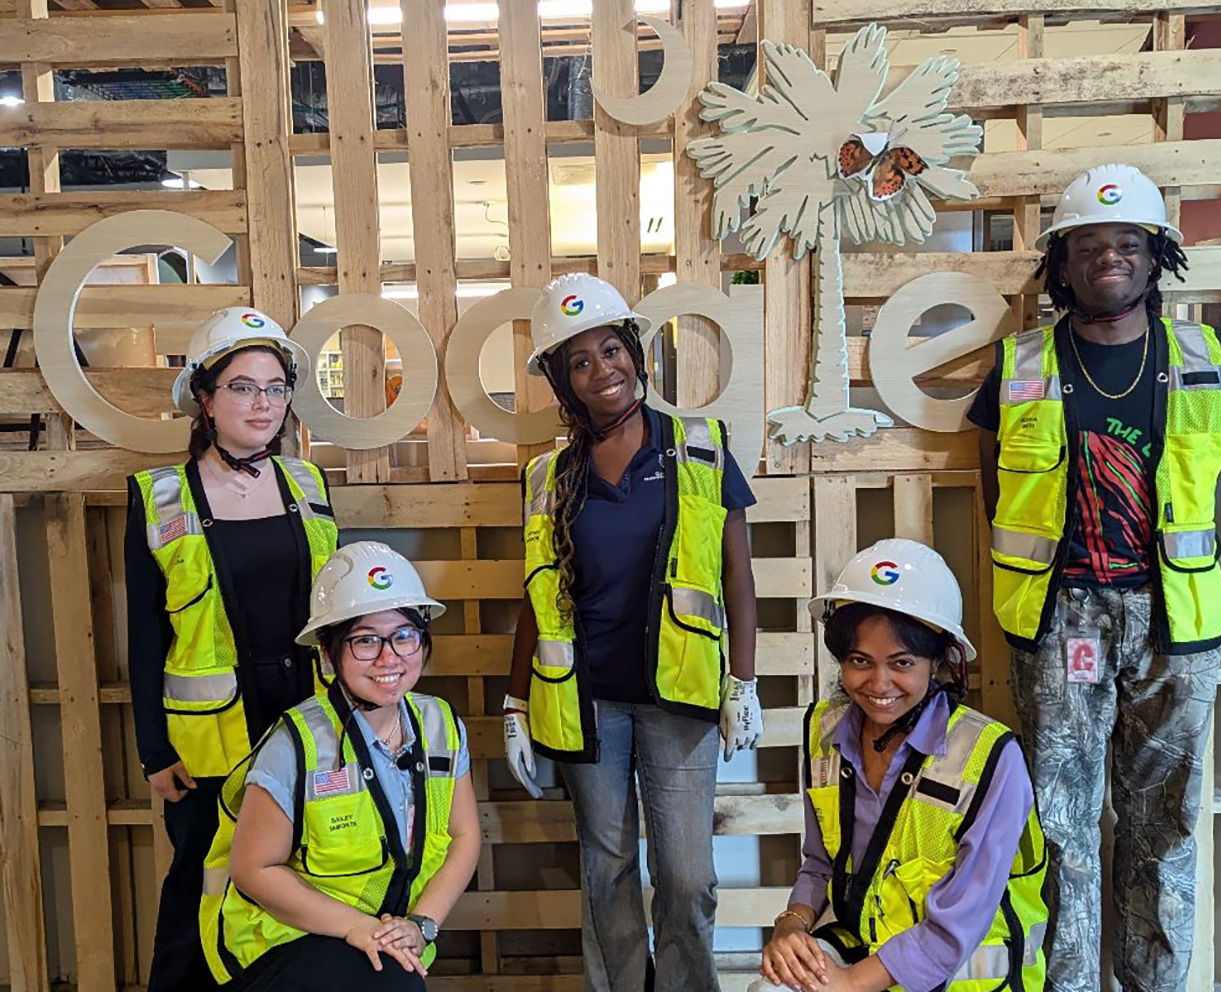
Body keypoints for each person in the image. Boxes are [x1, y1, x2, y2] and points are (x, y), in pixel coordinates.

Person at [966, 163, 1221, 992]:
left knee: (1163, 822)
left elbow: (1213, 475)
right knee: (1060, 825)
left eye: (1127, 243)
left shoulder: (1200, 355)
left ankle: (1154, 984)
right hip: (1063, 621)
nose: (1109, 259)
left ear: (1157, 256)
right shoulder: (1021, 363)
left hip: (1175, 620)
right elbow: (996, 485)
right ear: (1060, 264)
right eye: (1089, 246)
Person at [501, 272, 762, 992]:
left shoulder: (699, 449)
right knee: (606, 870)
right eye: (579, 361)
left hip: (679, 700)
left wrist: (742, 681)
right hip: (585, 704)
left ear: (635, 353)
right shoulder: (549, 476)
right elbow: (537, 595)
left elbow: (738, 575)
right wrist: (516, 703)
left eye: (610, 350)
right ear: (562, 379)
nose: (601, 371)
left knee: (686, 876)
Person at [126, 306, 338, 992]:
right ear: (205, 397)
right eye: (243, 386)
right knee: (200, 881)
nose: (263, 403)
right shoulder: (161, 497)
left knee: (300, 877)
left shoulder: (307, 485)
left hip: (306, 719)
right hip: (209, 738)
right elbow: (144, 632)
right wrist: (155, 751)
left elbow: (337, 612)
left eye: (275, 387)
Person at [755, 539, 1049, 992]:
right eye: (859, 661)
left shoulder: (991, 757)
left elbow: (959, 923)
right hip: (866, 950)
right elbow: (820, 862)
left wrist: (850, 984)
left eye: (902, 663)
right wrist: (791, 925)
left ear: (938, 662)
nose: (878, 684)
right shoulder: (824, 732)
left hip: (961, 978)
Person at [198, 541, 481, 988]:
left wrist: (421, 925)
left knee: (397, 975)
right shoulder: (298, 743)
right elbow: (253, 870)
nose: (390, 657)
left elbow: (464, 836)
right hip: (283, 937)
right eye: (366, 640)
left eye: (404, 635)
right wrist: (359, 928)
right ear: (329, 654)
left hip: (384, 936)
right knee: (395, 982)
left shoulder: (439, 724)